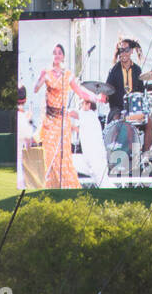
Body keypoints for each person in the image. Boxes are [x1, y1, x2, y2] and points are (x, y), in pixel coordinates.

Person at [34, 43, 105, 190]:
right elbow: (35, 89)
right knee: (49, 155)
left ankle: (67, 187)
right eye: (55, 53)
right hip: (49, 120)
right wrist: (40, 78)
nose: (57, 55)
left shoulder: (68, 75)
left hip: (62, 120)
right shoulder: (46, 72)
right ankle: (50, 187)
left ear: (63, 56)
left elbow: (81, 92)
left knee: (62, 155)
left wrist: (96, 98)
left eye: (59, 53)